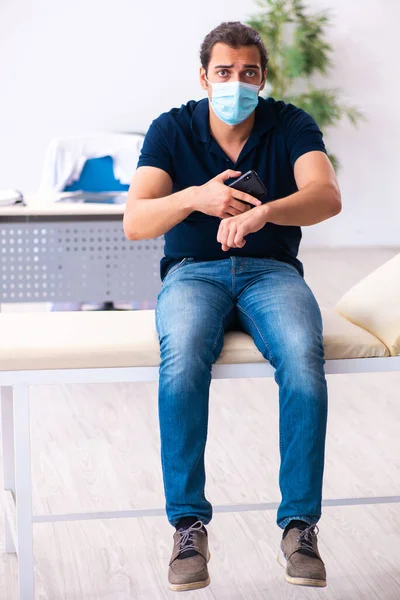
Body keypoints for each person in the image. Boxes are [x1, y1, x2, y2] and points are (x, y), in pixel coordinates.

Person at [124, 21, 341, 592]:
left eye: (248, 73)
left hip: (271, 273)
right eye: (224, 72)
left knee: (301, 357)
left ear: (263, 77)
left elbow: (326, 196)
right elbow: (135, 221)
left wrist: (264, 213)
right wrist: (197, 196)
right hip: (195, 274)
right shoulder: (171, 129)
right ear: (204, 76)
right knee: (184, 358)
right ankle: (188, 524)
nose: (237, 82)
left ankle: (300, 526)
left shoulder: (290, 123)